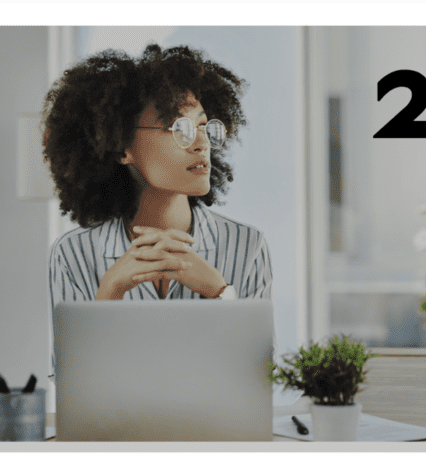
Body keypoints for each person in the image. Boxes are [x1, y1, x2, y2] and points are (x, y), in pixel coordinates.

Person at [43, 43, 272, 379]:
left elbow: (260, 376)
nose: (201, 143)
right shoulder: (73, 254)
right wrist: (110, 292)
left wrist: (220, 292)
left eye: (205, 127)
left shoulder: (248, 247)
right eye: (180, 129)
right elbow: (73, 383)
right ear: (122, 146)